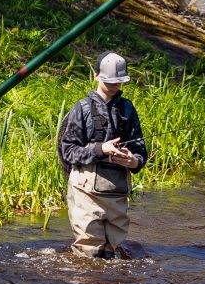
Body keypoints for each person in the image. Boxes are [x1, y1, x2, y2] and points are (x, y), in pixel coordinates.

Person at [58, 51, 148, 259]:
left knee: (112, 254)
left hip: (117, 192)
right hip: (85, 192)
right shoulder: (81, 109)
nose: (114, 86)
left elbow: (141, 152)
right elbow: (68, 151)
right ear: (95, 75)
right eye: (110, 81)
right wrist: (100, 150)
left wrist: (134, 161)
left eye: (119, 82)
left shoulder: (127, 109)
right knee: (88, 253)